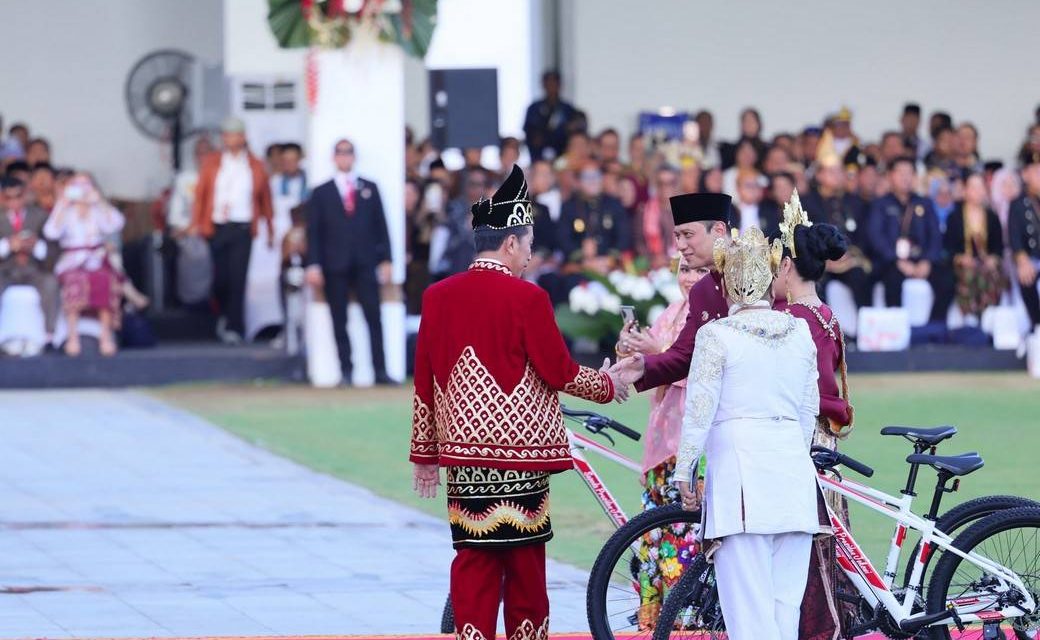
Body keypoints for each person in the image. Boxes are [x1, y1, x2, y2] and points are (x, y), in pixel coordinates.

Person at [408, 165, 626, 640]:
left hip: (464, 459)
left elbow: (424, 380)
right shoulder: (527, 299)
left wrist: (425, 456)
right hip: (521, 458)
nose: (530, 255)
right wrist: (610, 384)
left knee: (473, 568)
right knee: (525, 572)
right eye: (528, 244)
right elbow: (560, 372)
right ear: (510, 243)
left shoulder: (437, 296)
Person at [674, 225, 820, 640]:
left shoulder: (716, 335)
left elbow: (699, 409)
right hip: (793, 475)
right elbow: (808, 411)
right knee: (783, 612)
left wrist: (684, 469)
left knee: (749, 617)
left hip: (743, 483)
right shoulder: (799, 330)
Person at [770, 192, 856, 639]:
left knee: (810, 546)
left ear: (787, 266)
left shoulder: (791, 320)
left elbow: (807, 391)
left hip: (806, 442)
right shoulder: (825, 314)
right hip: (827, 438)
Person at [614, 254, 709, 628]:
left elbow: (703, 378)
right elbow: (649, 370)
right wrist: (630, 353)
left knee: (685, 537)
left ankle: (686, 625)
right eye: (685, 269)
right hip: (661, 443)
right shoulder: (672, 312)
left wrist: (657, 355)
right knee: (652, 538)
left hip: (694, 445)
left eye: (701, 270)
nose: (690, 278)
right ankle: (653, 626)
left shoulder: (712, 316)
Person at [613, 193, 733, 393]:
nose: (680, 245)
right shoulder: (701, 292)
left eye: (688, 235)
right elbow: (683, 355)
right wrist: (642, 366)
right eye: (677, 236)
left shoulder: (757, 271)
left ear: (719, 230)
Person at [305, 138, 395, 386]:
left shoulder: (369, 187)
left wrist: (386, 259)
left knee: (373, 316)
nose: (345, 158)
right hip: (335, 263)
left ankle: (380, 370)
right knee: (339, 318)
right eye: (340, 153)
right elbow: (314, 231)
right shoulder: (321, 192)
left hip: (366, 261)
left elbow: (381, 226)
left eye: (348, 153)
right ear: (334, 158)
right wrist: (313, 264)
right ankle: (346, 370)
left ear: (354, 156)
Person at [190, 117, 274, 344]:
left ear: (243, 137)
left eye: (235, 134)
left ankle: (235, 326)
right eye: (227, 135)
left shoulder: (255, 165)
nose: (230, 139)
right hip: (217, 226)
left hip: (243, 227)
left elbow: (265, 199)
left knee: (238, 278)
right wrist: (196, 223)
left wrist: (270, 228)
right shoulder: (213, 162)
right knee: (220, 279)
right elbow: (201, 195)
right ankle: (222, 316)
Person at [43, 174, 125, 357]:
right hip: (72, 260)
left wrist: (100, 202)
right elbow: (51, 232)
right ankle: (72, 336)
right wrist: (62, 204)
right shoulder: (66, 209)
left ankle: (105, 336)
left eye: (85, 185)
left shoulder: (97, 209)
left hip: (96, 258)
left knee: (105, 279)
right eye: (77, 185)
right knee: (74, 281)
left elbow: (116, 224)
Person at [866, 156, 953, 323]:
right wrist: (896, 260)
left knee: (947, 281)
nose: (905, 178)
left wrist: (927, 261)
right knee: (892, 280)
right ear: (890, 176)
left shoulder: (925, 203)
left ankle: (933, 328)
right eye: (900, 173)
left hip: (921, 260)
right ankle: (896, 327)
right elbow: (875, 236)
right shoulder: (880, 204)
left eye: (909, 173)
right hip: (892, 261)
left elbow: (935, 235)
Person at [803, 155, 874, 311]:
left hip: (849, 259)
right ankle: (824, 330)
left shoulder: (854, 202)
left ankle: (865, 329)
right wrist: (824, 261)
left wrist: (850, 255)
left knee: (861, 277)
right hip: (821, 262)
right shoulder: (807, 202)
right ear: (819, 175)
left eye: (839, 171)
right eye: (831, 171)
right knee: (817, 282)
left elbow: (863, 234)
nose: (838, 175)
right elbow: (804, 236)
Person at [0, 176, 59, 341]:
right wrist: (7, 246)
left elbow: (54, 250)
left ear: (25, 195)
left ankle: (49, 336)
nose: (14, 202)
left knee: (50, 283)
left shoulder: (40, 216)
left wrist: (36, 246)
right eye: (8, 197)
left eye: (18, 196)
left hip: (34, 269)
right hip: (5, 270)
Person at [944, 173, 1006, 319]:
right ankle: (969, 316)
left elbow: (998, 246)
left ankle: (989, 316)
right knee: (968, 274)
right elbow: (948, 246)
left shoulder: (992, 217)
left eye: (981, 187)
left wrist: (993, 258)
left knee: (991, 273)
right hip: (962, 264)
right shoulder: (955, 217)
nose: (978, 191)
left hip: (986, 263)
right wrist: (960, 258)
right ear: (965, 190)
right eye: (973, 187)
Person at [556, 162, 632, 271]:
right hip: (580, 267)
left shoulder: (614, 204)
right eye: (587, 177)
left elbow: (624, 237)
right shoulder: (569, 207)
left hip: (610, 265)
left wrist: (609, 259)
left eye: (596, 176)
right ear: (578, 182)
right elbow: (563, 239)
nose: (593, 181)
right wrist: (582, 256)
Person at [1009, 155, 1040, 327]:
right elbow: (1015, 237)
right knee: (1026, 277)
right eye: (1037, 171)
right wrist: (1022, 260)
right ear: (1025, 175)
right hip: (1032, 259)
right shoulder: (1018, 204)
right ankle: (1037, 325)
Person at [523, 70, 578, 162]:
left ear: (560, 85)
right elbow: (530, 133)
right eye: (548, 84)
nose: (551, 87)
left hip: (563, 158)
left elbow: (572, 134)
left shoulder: (567, 109)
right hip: (538, 157)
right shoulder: (534, 108)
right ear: (543, 85)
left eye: (554, 83)